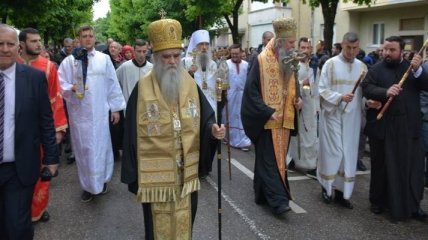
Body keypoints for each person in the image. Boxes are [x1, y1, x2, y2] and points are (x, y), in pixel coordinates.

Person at [121, 18, 225, 240]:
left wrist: (212, 130)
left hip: (185, 171)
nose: (171, 61)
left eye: (176, 56)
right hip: (155, 176)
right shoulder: (142, 89)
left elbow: (205, 118)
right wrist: (133, 173)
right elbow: (130, 132)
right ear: (156, 58)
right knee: (156, 224)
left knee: (185, 220)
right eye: (166, 57)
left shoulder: (189, 84)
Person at [0, 24, 58, 240]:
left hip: (19, 167)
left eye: (10, 44)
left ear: (18, 47)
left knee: (18, 226)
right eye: (0, 44)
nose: (5, 49)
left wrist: (51, 158)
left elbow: (45, 120)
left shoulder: (34, 78)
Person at [361, 36, 428, 222]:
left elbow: (426, 85)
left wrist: (418, 69)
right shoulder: (376, 69)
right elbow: (366, 87)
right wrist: (385, 92)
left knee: (412, 169)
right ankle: (378, 202)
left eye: (392, 50)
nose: (387, 53)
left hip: (408, 129)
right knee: (381, 167)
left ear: (401, 51)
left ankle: (413, 205)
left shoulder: (411, 68)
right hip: (383, 127)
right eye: (385, 49)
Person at [241, 17, 303, 215]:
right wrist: (267, 111)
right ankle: (278, 201)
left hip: (285, 119)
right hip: (268, 120)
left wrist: (299, 100)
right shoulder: (260, 60)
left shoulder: (290, 59)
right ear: (281, 41)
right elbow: (251, 91)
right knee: (270, 162)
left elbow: (295, 85)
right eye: (292, 42)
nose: (294, 46)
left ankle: (262, 193)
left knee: (275, 161)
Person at [58, 25, 126, 202]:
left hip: (100, 114)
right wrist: (70, 88)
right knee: (83, 151)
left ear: (95, 38)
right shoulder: (70, 61)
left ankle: (102, 181)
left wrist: (116, 108)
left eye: (90, 35)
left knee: (102, 147)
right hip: (80, 116)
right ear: (79, 39)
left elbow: (112, 84)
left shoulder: (104, 59)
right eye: (84, 36)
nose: (87, 38)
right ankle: (87, 186)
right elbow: (60, 83)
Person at [17, 27, 68, 223]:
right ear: (21, 45)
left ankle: (38, 210)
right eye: (34, 41)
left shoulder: (48, 67)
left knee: (42, 169)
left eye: (40, 41)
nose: (39, 44)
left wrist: (59, 129)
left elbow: (56, 98)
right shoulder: (11, 64)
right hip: (20, 127)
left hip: (42, 127)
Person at [317, 32, 367, 209]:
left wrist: (369, 102)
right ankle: (326, 187)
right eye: (348, 48)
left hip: (352, 117)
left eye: (355, 48)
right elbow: (321, 90)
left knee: (348, 153)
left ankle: (342, 192)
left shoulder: (362, 67)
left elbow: (364, 93)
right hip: (333, 115)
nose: (351, 52)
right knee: (334, 151)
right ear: (342, 45)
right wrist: (339, 97)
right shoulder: (330, 64)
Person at [182, 29, 220, 177]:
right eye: (201, 44)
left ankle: (206, 166)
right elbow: (178, 83)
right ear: (195, 46)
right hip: (193, 106)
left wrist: (221, 88)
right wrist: (189, 73)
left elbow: (216, 85)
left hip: (211, 107)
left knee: (211, 137)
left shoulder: (213, 64)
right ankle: (194, 166)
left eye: (206, 44)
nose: (204, 47)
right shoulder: (185, 63)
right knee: (195, 137)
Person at [287, 37, 318, 178]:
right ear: (298, 49)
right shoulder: (293, 65)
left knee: (310, 135)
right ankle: (297, 160)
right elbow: (289, 84)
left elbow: (317, 87)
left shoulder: (314, 66)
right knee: (299, 135)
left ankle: (309, 163)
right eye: (302, 48)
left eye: (307, 48)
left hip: (311, 106)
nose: (305, 51)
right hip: (298, 105)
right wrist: (301, 83)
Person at [225, 44, 251, 151]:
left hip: (243, 96)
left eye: (236, 53)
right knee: (231, 117)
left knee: (242, 117)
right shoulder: (226, 64)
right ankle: (230, 139)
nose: (234, 56)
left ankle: (243, 141)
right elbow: (222, 79)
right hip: (230, 95)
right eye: (233, 54)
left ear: (241, 53)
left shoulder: (246, 65)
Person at [116, 39, 153, 110]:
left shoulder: (151, 68)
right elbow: (114, 83)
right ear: (134, 50)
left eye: (144, 51)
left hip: (146, 109)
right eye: (139, 51)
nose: (141, 54)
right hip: (129, 108)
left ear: (147, 51)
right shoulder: (125, 67)